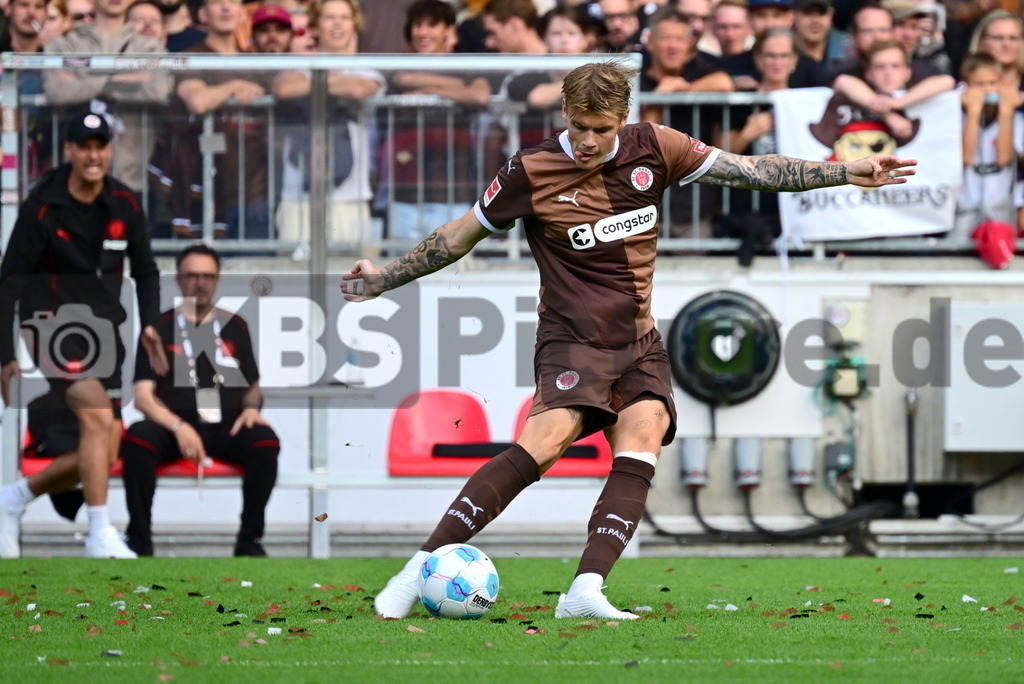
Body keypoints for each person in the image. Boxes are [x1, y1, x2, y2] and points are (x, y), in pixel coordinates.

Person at [341, 59, 916, 620]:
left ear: (623, 119)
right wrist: (386, 278)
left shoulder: (656, 146)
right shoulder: (529, 170)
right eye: (579, 127)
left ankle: (585, 589)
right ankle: (416, 571)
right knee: (548, 439)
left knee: (645, 434)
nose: (588, 141)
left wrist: (845, 171)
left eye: (602, 129)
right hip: (572, 338)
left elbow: (748, 170)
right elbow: (458, 236)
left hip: (639, 337)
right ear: (564, 110)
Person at [0, 111, 167, 560]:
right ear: (70, 151)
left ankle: (13, 498)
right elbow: (11, 278)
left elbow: (147, 271)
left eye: (101, 145)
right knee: (96, 419)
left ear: (109, 151)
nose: (94, 155)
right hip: (50, 324)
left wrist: (149, 321)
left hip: (106, 332)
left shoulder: (126, 204)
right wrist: (4, 351)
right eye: (84, 146)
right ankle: (99, 532)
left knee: (106, 442)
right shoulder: (41, 207)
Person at [120, 244, 279, 557]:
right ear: (178, 280)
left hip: (225, 426)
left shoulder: (236, 325)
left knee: (265, 442)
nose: (200, 283)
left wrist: (250, 409)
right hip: (172, 426)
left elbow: (253, 388)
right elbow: (142, 397)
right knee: (138, 438)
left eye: (208, 276)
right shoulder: (159, 330)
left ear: (217, 280)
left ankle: (249, 542)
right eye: (192, 275)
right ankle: (139, 542)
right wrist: (179, 426)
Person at [273, 0, 384, 246]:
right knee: (293, 279)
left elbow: (357, 89)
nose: (337, 24)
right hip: (298, 196)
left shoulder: (364, 69)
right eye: (329, 17)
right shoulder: (296, 66)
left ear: (354, 25)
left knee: (351, 280)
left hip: (349, 196)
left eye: (344, 18)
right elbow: (283, 88)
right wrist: (334, 81)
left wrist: (313, 83)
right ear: (314, 27)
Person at [379, 0, 491, 241]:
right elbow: (402, 79)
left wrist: (431, 91)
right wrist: (456, 89)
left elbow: (479, 94)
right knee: (402, 272)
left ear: (449, 31)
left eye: (432, 25)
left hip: (452, 193)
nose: (422, 32)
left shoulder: (465, 65)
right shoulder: (398, 65)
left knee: (452, 274)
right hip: (405, 194)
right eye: (417, 25)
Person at [42, 0, 172, 194]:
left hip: (130, 181)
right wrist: (124, 78)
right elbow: (57, 91)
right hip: (73, 181)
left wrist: (85, 79)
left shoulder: (150, 48)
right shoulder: (64, 46)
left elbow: (157, 89)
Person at [953, 52, 1024, 241]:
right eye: (979, 84)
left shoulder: (1014, 119)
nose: (986, 90)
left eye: (992, 83)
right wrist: (973, 113)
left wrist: (1006, 112)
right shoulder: (957, 118)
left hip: (1000, 209)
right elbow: (967, 158)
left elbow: (1003, 158)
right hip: (966, 209)